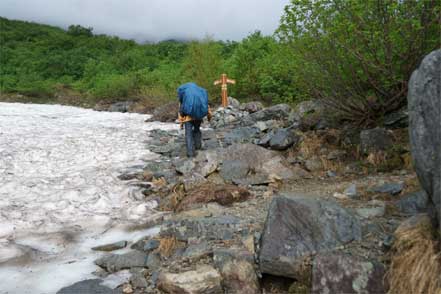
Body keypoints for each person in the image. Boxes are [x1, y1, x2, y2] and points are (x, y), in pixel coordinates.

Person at [177, 82, 212, 157]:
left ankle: (190, 153)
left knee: (188, 134)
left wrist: (181, 117)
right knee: (197, 129)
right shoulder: (200, 91)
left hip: (188, 117)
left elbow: (181, 105)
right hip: (198, 115)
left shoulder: (185, 91)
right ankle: (198, 147)